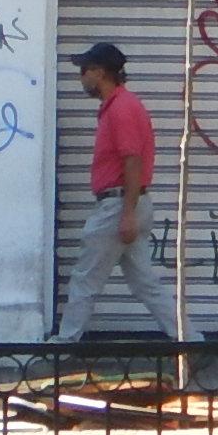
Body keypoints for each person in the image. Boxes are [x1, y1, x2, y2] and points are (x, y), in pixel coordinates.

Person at [54, 40, 174, 343]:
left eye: (85, 70)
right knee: (145, 282)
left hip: (118, 205)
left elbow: (132, 159)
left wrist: (127, 214)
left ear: (101, 72)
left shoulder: (121, 108)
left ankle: (63, 345)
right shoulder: (118, 106)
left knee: (86, 277)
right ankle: (189, 340)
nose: (81, 77)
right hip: (126, 203)